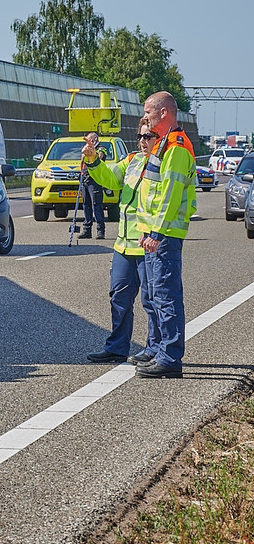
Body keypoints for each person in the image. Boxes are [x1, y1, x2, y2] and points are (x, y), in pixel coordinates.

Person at [81, 122, 161, 363]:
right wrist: (93, 159)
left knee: (151, 300)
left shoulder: (163, 163)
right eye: (140, 136)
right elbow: (110, 179)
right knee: (119, 297)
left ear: (159, 137)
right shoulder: (132, 160)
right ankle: (117, 347)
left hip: (149, 244)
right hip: (124, 245)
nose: (142, 140)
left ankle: (154, 350)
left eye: (148, 136)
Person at [133, 91, 197, 379]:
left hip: (165, 233)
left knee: (166, 296)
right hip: (155, 232)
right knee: (155, 295)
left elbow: (170, 195)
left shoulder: (177, 147)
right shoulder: (164, 145)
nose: (145, 116)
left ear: (163, 113)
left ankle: (170, 357)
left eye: (148, 111)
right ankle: (160, 349)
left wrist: (156, 231)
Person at [79, 131, 106, 239]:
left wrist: (92, 152)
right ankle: (87, 230)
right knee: (86, 205)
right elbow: (82, 161)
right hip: (85, 180)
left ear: (95, 140)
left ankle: (100, 230)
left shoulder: (101, 148)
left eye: (92, 140)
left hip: (95, 180)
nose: (90, 142)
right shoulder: (86, 150)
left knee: (97, 205)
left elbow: (100, 157)